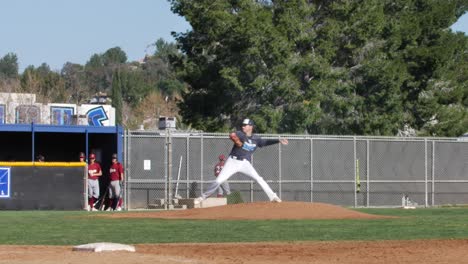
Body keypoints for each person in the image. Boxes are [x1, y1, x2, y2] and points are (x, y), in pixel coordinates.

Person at [195, 118, 288, 205]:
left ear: (251, 127)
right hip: (232, 161)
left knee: (259, 179)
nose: (243, 126)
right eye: (243, 125)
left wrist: (278, 140)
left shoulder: (256, 139)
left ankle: (273, 197)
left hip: (245, 163)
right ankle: (202, 197)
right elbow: (232, 135)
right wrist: (236, 140)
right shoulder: (240, 134)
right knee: (218, 181)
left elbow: (264, 142)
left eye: (245, 125)